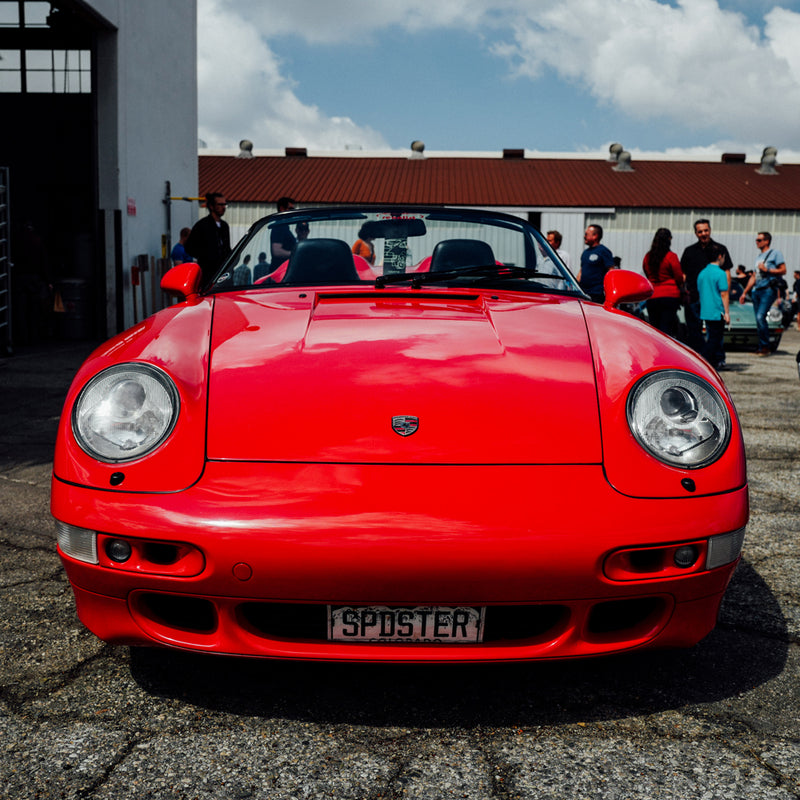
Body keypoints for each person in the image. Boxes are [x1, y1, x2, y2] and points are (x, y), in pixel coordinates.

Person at [679, 219, 733, 353]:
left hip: (713, 299)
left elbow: (727, 273)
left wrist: (725, 293)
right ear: (696, 233)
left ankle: (717, 359)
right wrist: (683, 291)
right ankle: (699, 360)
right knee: (694, 331)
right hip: (693, 297)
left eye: (706, 230)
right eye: (700, 231)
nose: (703, 234)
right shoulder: (689, 251)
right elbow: (683, 274)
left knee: (715, 333)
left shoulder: (720, 249)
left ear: (710, 230)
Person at [739, 231, 786, 356]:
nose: (757, 242)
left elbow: (783, 270)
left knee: (761, 317)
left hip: (768, 289)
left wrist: (768, 270)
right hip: (756, 291)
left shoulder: (775, 254)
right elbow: (754, 276)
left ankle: (765, 346)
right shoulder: (758, 257)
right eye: (756, 240)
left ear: (766, 241)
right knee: (758, 320)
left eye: (759, 240)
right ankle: (761, 346)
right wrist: (744, 293)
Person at [642, 228, 684, 337]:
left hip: (653, 296)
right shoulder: (671, 256)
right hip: (670, 296)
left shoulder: (648, 257)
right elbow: (679, 277)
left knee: (654, 328)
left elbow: (647, 273)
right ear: (669, 239)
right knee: (666, 328)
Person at [185, 192, 231, 287]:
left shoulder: (224, 226)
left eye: (224, 204)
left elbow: (226, 247)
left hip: (223, 276)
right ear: (211, 206)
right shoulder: (202, 225)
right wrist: (206, 256)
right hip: (207, 276)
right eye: (220, 204)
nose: (223, 207)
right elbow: (189, 248)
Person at [697, 245, 730, 371]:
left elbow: (700, 291)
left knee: (711, 337)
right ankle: (706, 360)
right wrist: (727, 312)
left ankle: (713, 361)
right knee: (715, 339)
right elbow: (724, 293)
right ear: (720, 256)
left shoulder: (702, 273)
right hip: (717, 311)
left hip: (705, 310)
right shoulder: (721, 273)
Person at [576, 224, 614, 303]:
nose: (584, 236)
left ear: (595, 236)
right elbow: (581, 271)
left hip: (596, 294)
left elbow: (611, 271)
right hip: (583, 293)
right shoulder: (585, 252)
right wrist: (575, 285)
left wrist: (609, 291)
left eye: (586, 234)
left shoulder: (603, 251)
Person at [270, 196, 296, 270]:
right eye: (290, 209)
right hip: (279, 272)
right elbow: (277, 251)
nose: (292, 212)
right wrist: (295, 253)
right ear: (282, 209)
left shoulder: (284, 226)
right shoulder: (279, 226)